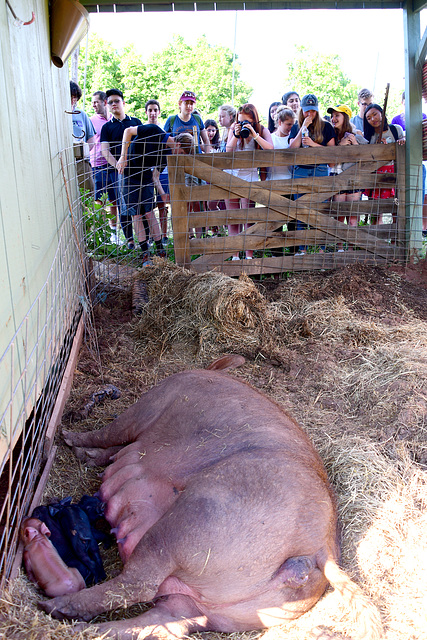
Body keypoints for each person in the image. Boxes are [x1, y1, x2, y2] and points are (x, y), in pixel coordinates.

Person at [117, 120, 178, 266]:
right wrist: (123, 156)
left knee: (149, 213)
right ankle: (145, 253)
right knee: (136, 214)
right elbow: (128, 131)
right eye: (180, 152)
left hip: (146, 178)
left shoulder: (168, 154)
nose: (179, 155)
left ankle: (160, 250)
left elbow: (155, 176)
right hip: (129, 175)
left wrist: (163, 194)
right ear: (178, 144)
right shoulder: (154, 130)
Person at [288, 94, 336, 255]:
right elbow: (292, 149)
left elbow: (332, 153)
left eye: (313, 111)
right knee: (301, 210)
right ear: (302, 110)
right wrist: (302, 128)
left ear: (317, 110)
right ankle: (303, 249)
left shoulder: (327, 127)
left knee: (320, 209)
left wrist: (313, 144)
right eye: (307, 111)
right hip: (300, 170)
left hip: (320, 170)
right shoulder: (296, 127)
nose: (310, 114)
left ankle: (321, 249)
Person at [226, 103, 274, 260]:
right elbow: (228, 149)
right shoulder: (234, 128)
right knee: (233, 219)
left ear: (254, 120)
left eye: (246, 122)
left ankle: (248, 256)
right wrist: (235, 133)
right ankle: (234, 255)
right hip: (232, 177)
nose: (243, 124)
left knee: (248, 219)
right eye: (240, 121)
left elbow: (270, 149)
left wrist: (254, 134)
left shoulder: (261, 130)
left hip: (251, 178)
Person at [100, 89, 142, 250]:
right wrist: (117, 164)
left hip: (137, 170)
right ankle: (130, 240)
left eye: (116, 101)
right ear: (107, 106)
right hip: (117, 172)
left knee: (141, 203)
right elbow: (105, 150)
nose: (114, 104)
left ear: (123, 103)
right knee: (122, 205)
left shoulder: (136, 122)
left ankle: (145, 240)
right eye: (110, 102)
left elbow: (144, 146)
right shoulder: (106, 128)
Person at [327, 104, 368, 249]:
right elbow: (330, 163)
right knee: (339, 216)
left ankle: (350, 249)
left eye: (337, 115)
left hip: (354, 180)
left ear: (345, 117)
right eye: (332, 116)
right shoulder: (330, 136)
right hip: (336, 178)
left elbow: (367, 157)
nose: (333, 118)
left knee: (352, 218)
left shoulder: (356, 136)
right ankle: (339, 249)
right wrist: (341, 145)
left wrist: (355, 143)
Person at [363, 103, 405, 224]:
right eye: (369, 118)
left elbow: (402, 145)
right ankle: (376, 239)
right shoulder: (369, 136)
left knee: (395, 208)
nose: (373, 119)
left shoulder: (395, 129)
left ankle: (395, 240)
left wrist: (401, 142)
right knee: (376, 210)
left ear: (382, 113)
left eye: (375, 114)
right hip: (377, 174)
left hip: (394, 173)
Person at [90, 91, 122, 245]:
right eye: (92, 102)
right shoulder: (91, 121)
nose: (94, 105)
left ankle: (114, 234)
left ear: (105, 102)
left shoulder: (113, 120)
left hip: (113, 165)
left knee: (114, 200)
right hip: (97, 165)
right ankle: (100, 235)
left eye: (96, 102)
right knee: (99, 201)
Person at [266, 106, 296, 256]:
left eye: (293, 124)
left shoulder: (293, 138)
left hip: (290, 183)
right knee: (275, 222)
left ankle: (293, 254)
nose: (291, 127)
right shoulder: (270, 138)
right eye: (288, 124)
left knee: (292, 222)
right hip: (274, 184)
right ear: (279, 122)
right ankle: (276, 254)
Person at [144, 99, 169, 248]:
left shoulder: (163, 130)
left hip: (162, 172)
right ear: (146, 112)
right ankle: (153, 236)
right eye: (150, 110)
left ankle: (164, 235)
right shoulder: (142, 129)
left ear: (159, 112)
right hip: (146, 172)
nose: (153, 113)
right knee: (148, 205)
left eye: (155, 110)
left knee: (162, 204)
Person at [70, 81, 95, 195]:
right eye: (71, 96)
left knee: (87, 195)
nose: (73, 100)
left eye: (75, 97)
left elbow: (91, 139)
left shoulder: (81, 114)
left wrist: (82, 152)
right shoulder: (56, 113)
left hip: (81, 160)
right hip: (63, 160)